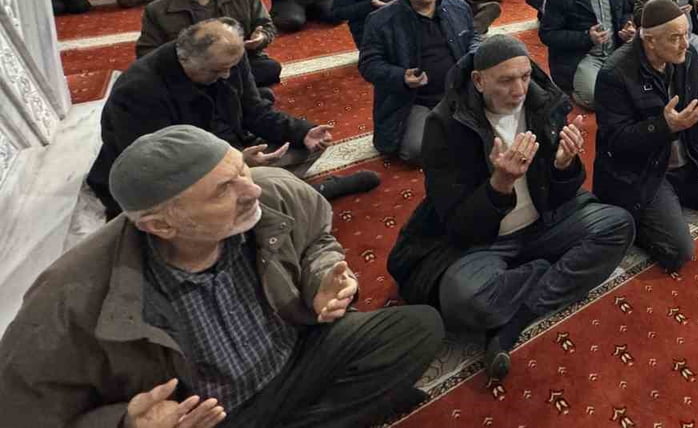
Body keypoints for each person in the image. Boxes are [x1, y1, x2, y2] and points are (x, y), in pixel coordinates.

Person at [1, 125, 441, 428]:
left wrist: (322, 276)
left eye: (241, 173)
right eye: (222, 190)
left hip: (295, 358)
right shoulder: (67, 300)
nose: (251, 190)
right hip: (208, 416)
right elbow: (20, 414)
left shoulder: (270, 191)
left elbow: (316, 241)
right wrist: (125, 423)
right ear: (161, 225)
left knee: (416, 328)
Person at [388, 35, 633, 380]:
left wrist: (564, 166)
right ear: (479, 81)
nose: (518, 89)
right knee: (465, 299)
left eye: (524, 77)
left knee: (618, 224)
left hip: (542, 222)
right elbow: (459, 226)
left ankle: (514, 319)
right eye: (505, 80)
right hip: (485, 241)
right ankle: (555, 271)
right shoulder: (446, 126)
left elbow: (563, 195)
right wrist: (499, 185)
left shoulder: (544, 104)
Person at [90, 18, 378, 218]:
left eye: (231, 67)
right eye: (217, 72)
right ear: (186, 59)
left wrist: (302, 131)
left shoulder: (229, 59)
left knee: (303, 146)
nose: (227, 76)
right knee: (218, 209)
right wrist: (235, 163)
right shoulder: (139, 92)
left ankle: (273, 190)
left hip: (227, 146)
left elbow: (255, 111)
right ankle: (310, 192)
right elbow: (158, 167)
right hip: (174, 174)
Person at [593, 0, 698, 271]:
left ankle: (672, 198)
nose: (685, 43)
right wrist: (665, 127)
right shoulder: (615, 74)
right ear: (649, 41)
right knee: (678, 252)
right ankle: (649, 208)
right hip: (642, 171)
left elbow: (692, 104)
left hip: (687, 158)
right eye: (675, 38)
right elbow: (616, 142)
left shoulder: (686, 58)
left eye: (685, 34)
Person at [358, 0, 477, 158]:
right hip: (415, 99)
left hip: (461, 91)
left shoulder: (457, 6)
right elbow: (369, 64)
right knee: (416, 150)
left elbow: (473, 37)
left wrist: (476, 55)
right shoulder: (381, 20)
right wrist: (401, 76)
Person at [138, 0, 282, 87]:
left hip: (237, 62)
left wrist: (261, 38)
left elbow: (266, 26)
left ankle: (215, 89)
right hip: (191, 69)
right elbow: (147, 51)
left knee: (270, 69)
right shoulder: (158, 9)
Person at [539, 0, 634, 108]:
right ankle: (573, 89)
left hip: (615, 50)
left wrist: (626, 27)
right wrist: (586, 37)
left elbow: (625, 12)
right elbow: (548, 35)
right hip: (583, 56)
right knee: (597, 99)